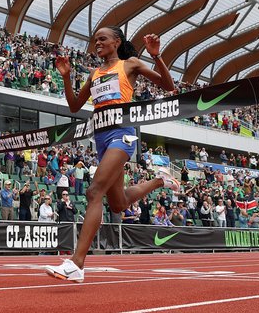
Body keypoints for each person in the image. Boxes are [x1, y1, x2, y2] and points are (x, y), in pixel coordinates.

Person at [46, 28, 178, 283]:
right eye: (95, 40)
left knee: (94, 192)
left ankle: (77, 263)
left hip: (123, 136)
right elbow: (75, 106)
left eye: (102, 39)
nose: (97, 43)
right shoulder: (95, 73)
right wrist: (66, 77)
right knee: (118, 203)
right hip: (101, 139)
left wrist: (157, 56)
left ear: (117, 42)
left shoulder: (130, 64)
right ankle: (160, 181)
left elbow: (168, 85)